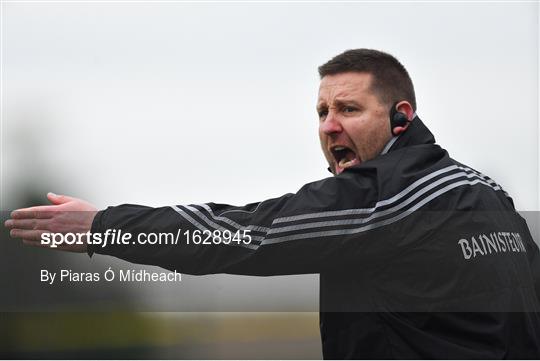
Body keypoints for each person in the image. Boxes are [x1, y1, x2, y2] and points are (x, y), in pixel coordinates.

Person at [5, 49, 540, 359]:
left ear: (401, 118)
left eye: (349, 109)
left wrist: (105, 226)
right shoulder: (488, 196)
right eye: (322, 111)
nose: (330, 125)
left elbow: (246, 234)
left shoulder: (387, 197)